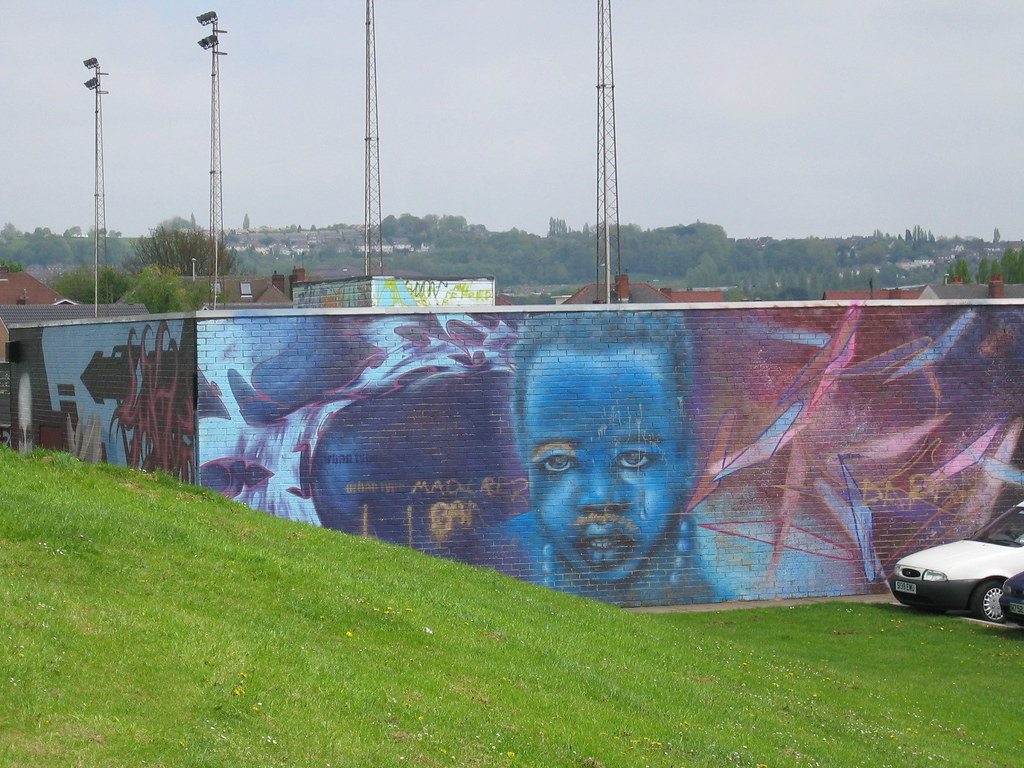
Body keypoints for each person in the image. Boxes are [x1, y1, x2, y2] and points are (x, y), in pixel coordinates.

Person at [498, 312, 713, 605]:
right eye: (558, 462)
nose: (599, 497)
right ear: (526, 458)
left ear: (686, 454)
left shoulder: (734, 578)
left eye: (635, 458)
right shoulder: (490, 553)